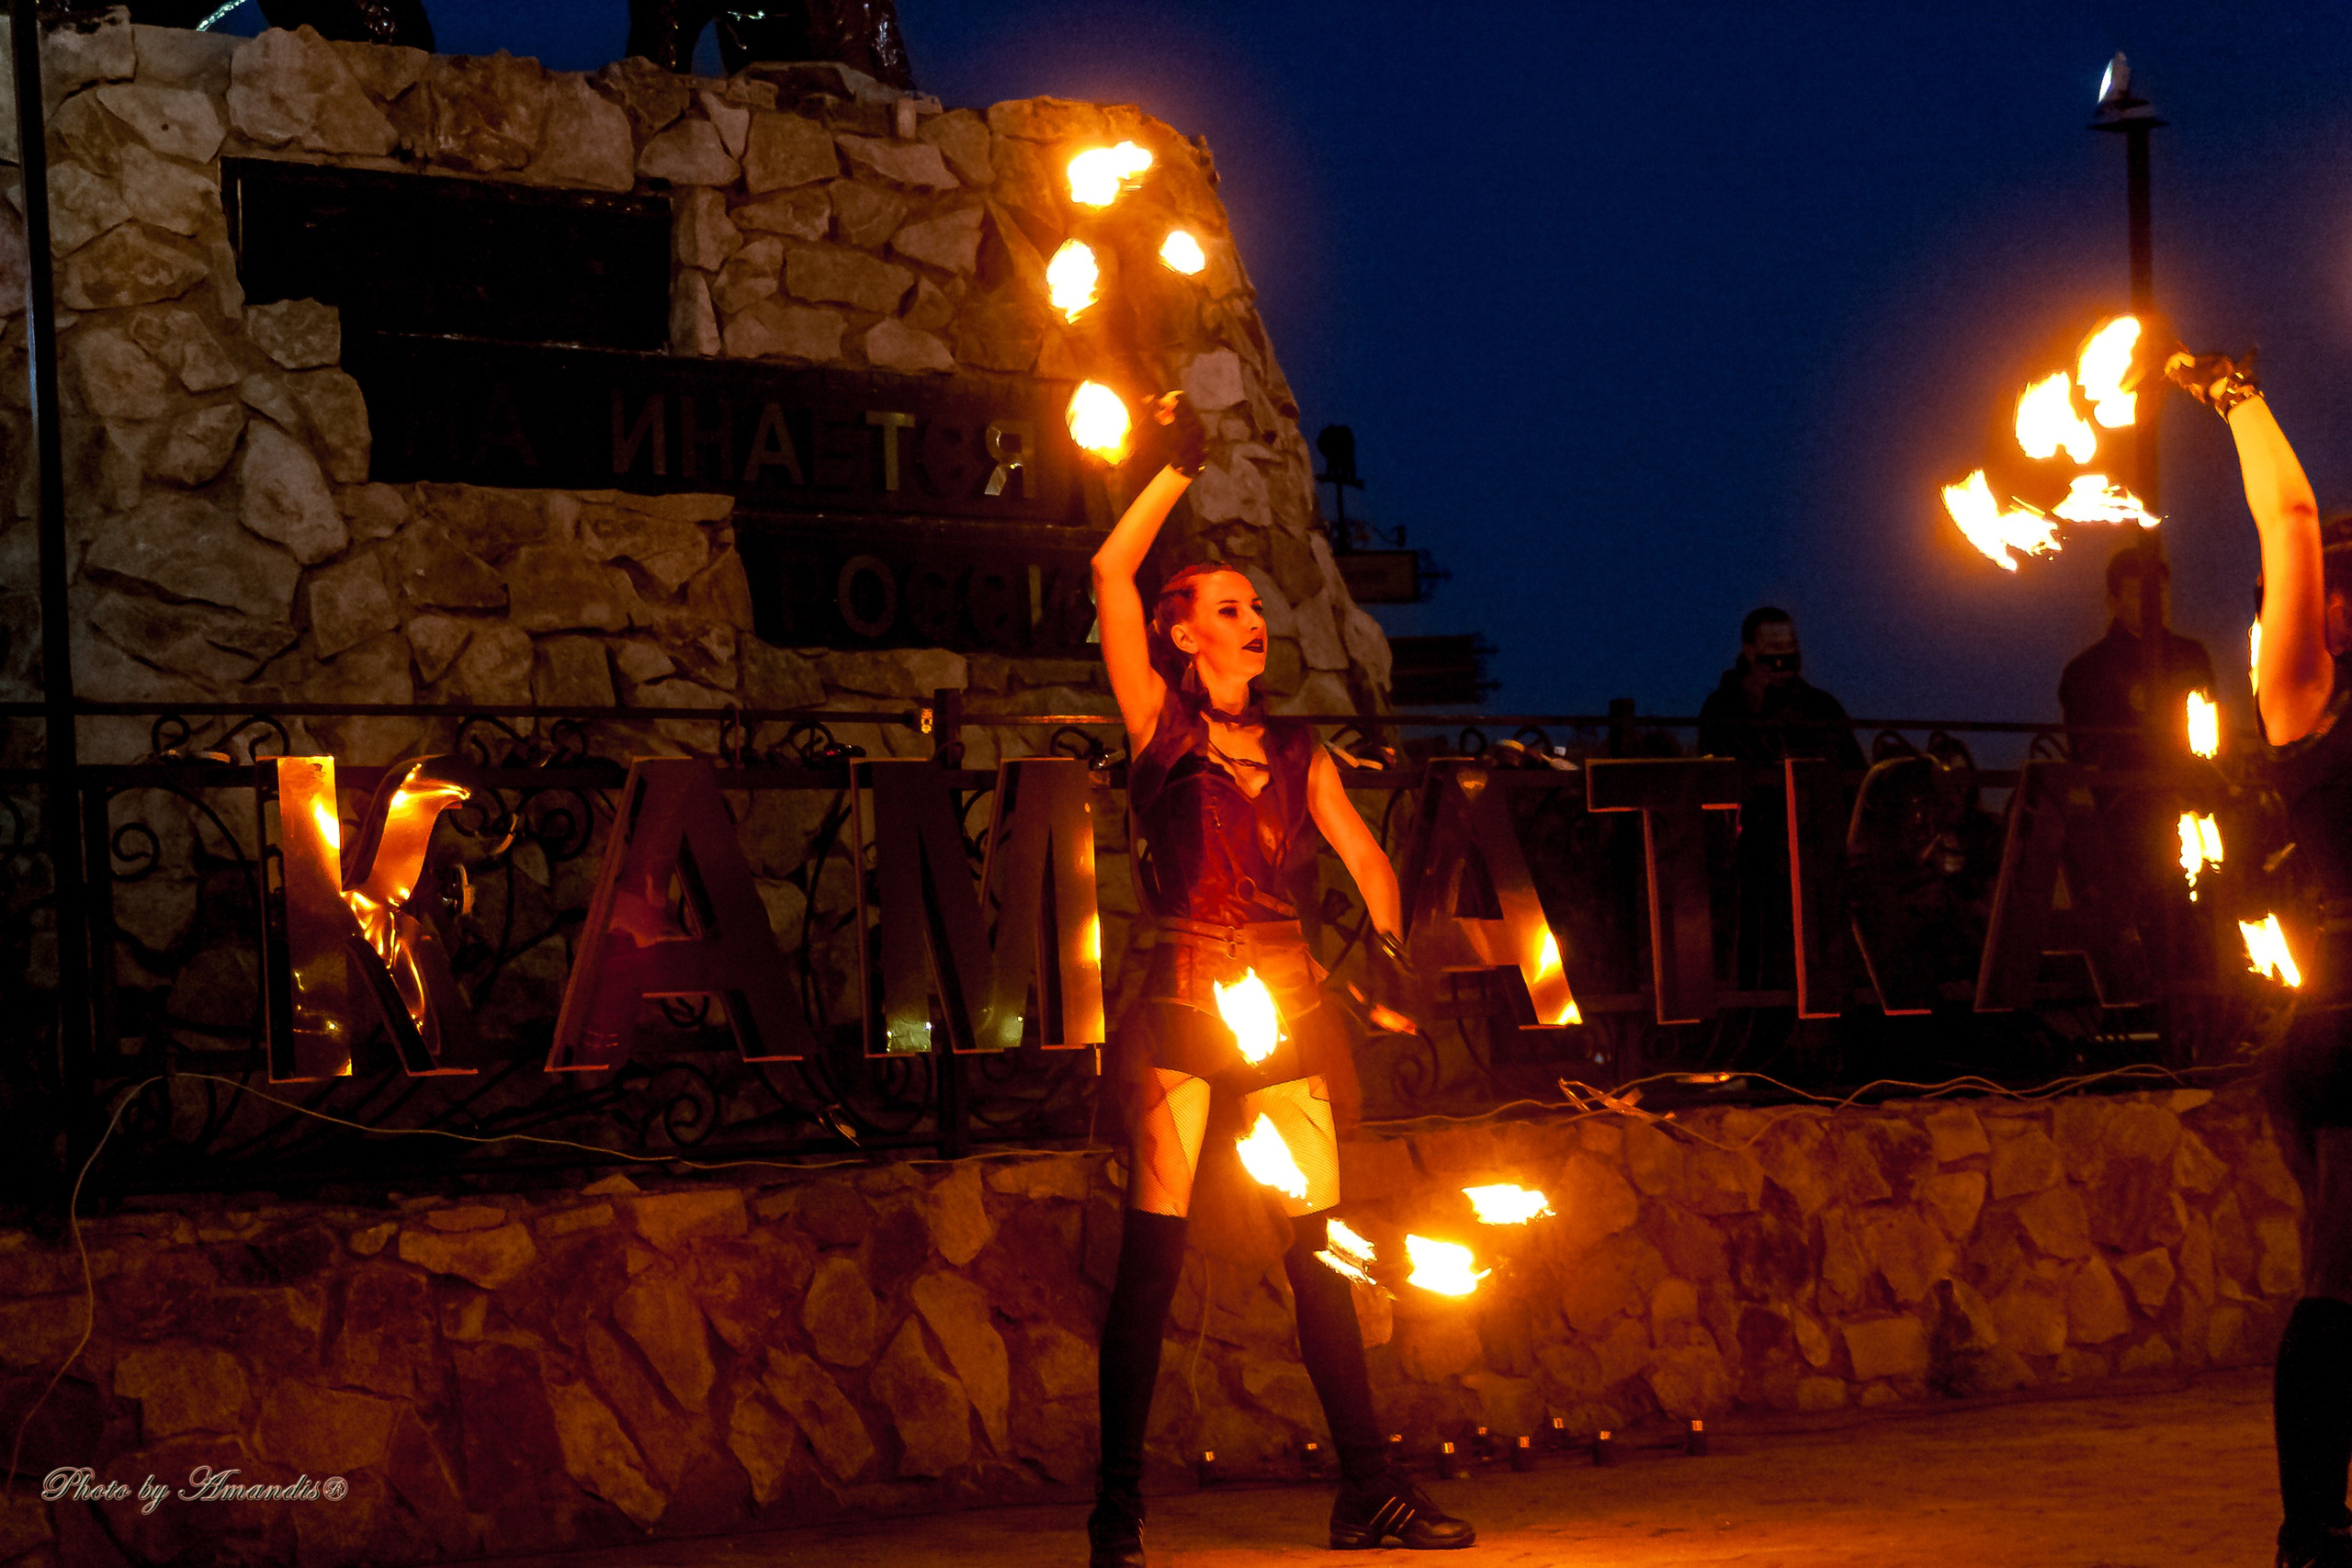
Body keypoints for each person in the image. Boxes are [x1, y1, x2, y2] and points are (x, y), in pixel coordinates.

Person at [1082, 394, 1475, 1564]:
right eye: (1230, 610)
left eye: (1256, 609)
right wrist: (1169, 468)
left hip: (1291, 1003)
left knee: (1320, 1251)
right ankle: (1115, 1513)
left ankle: (1369, 1493)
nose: (1255, 623)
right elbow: (1110, 569)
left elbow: (1362, 859)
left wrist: (1392, 954)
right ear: (1181, 635)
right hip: (1181, 1009)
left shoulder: (1299, 752)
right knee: (1152, 1264)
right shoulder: (1157, 726)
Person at [2171, 345, 2352, 1568]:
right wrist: (2240, 398)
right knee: (2345, 1269)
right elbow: (2288, 515)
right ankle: (2313, 1525)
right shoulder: (2304, 695)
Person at [1697, 609, 1864, 1025]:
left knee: (1821, 956)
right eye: (1772, 657)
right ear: (1749, 653)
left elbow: (1854, 773)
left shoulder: (1822, 708)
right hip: (1756, 855)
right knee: (1760, 953)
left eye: (1790, 656)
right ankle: (1759, 1036)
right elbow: (1715, 774)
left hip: (1820, 850)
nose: (1782, 667)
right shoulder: (1724, 707)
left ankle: (1823, 1039)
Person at [2058, 543, 2217, 772]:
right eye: (2137, 594)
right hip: (2124, 796)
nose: (2152, 602)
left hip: (2193, 791)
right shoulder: (2087, 671)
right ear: (2114, 601)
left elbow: (2212, 734)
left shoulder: (2191, 656)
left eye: (2159, 591)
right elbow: (2088, 753)